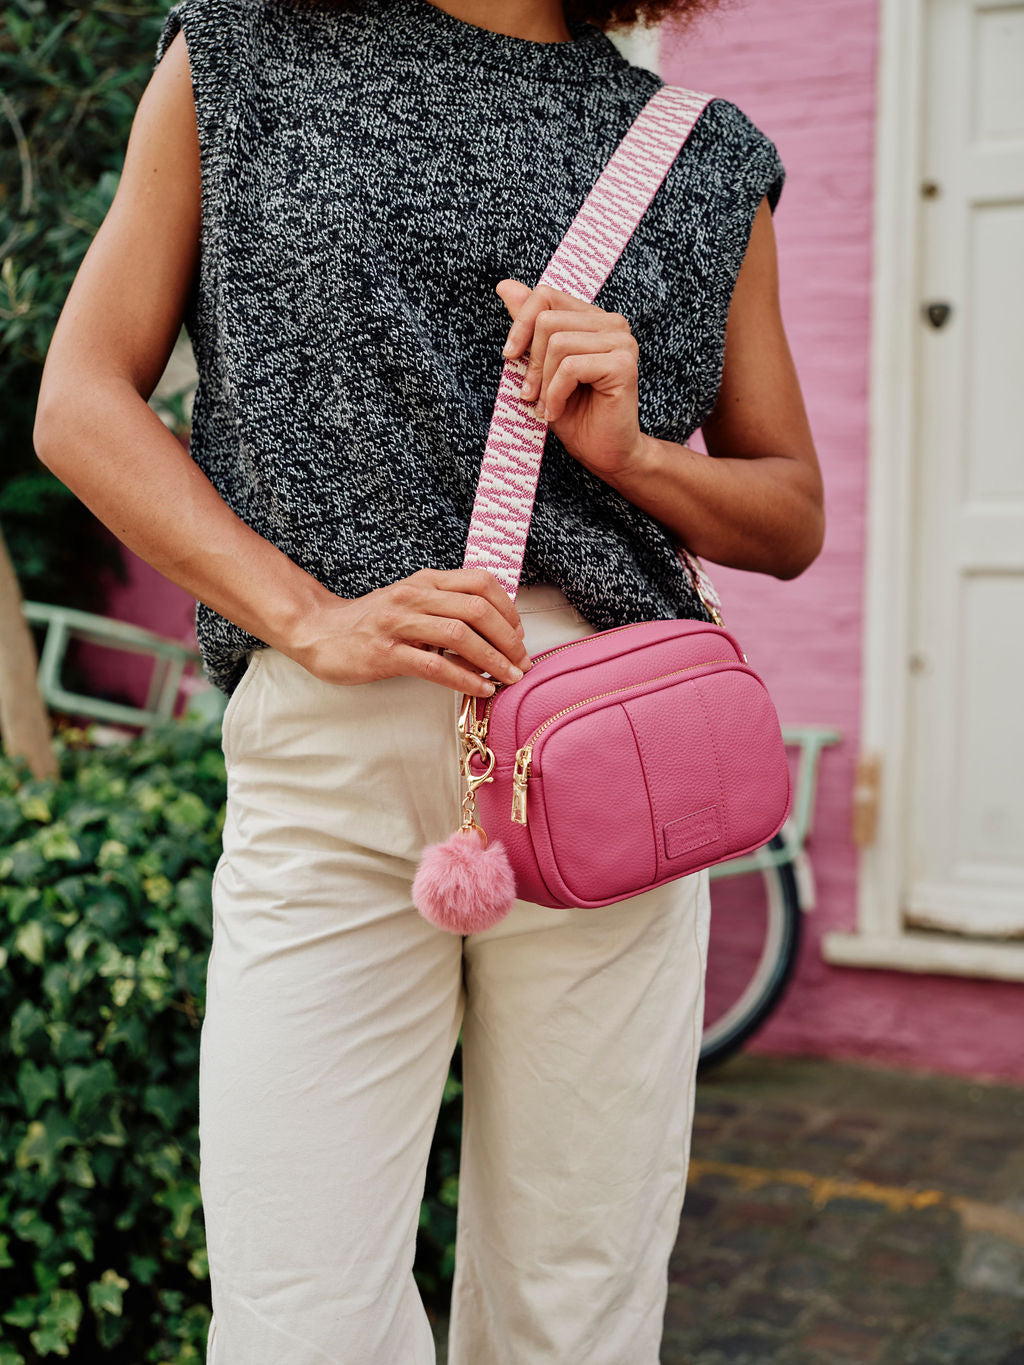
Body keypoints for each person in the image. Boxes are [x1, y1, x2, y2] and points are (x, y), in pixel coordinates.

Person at [32, 0, 825, 1359]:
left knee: (576, 1308)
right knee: (299, 1318)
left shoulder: (699, 152)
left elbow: (788, 511)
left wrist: (636, 456)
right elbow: (83, 400)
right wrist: (307, 616)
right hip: (330, 751)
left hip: (611, 770)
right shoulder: (236, 53)